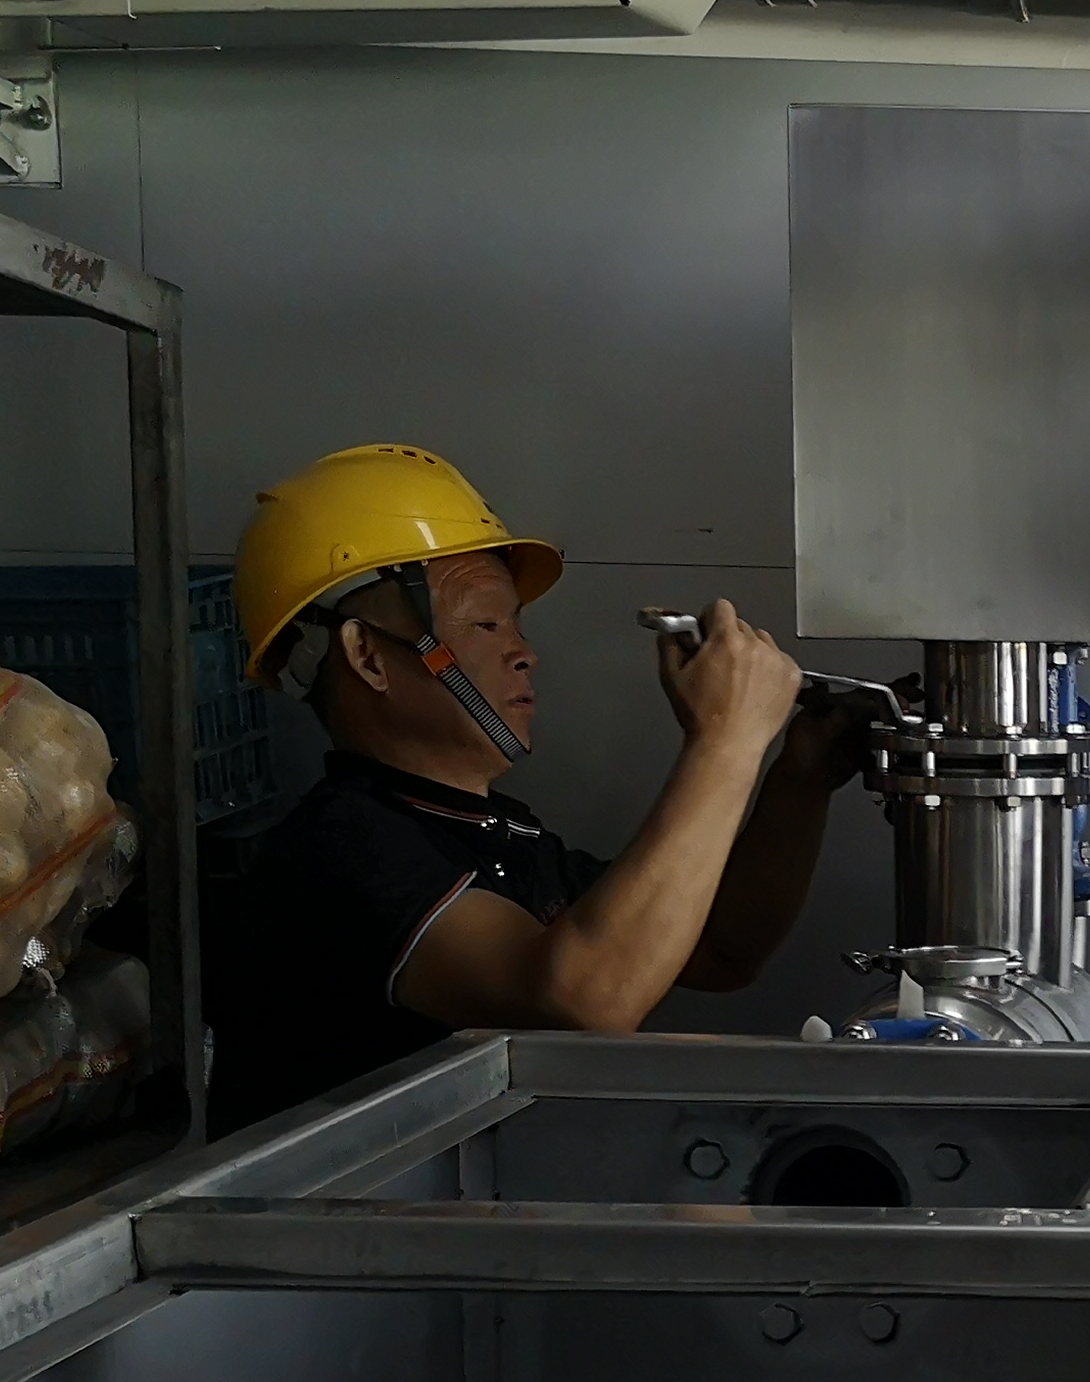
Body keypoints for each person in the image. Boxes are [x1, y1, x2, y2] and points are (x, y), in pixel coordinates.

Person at [205, 441, 856, 1132]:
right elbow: (587, 1000)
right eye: (485, 624)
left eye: (516, 624)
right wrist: (726, 741)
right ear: (367, 655)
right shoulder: (340, 849)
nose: (524, 652)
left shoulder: (497, 835)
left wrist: (800, 781)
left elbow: (723, 948)